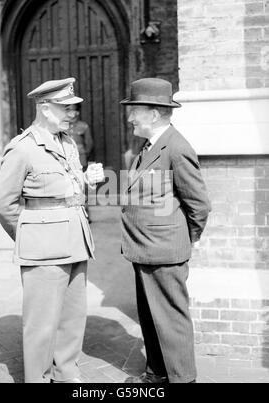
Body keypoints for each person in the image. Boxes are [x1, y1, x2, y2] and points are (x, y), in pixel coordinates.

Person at [0, 78, 104, 384]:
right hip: (43, 249)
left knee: (72, 319)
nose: (72, 113)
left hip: (76, 241)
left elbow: (67, 188)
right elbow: (4, 204)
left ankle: (67, 375)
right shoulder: (23, 148)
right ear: (44, 107)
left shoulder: (67, 143)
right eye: (65, 107)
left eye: (73, 107)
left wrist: (87, 181)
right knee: (41, 325)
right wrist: (31, 236)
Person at [120, 78, 211, 384]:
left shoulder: (176, 147)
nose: (131, 117)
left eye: (135, 110)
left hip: (165, 250)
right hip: (145, 248)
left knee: (171, 320)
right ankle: (157, 373)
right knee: (150, 317)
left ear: (155, 114)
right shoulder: (149, 146)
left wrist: (189, 237)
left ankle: (183, 379)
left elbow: (199, 203)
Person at [67, 104, 94, 170]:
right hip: (67, 160)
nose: (72, 113)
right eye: (68, 110)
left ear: (77, 112)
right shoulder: (62, 126)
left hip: (80, 159)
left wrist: (84, 154)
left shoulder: (83, 126)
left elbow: (89, 144)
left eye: (73, 110)